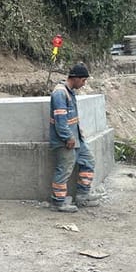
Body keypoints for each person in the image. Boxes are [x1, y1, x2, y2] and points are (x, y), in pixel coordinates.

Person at [48, 62, 100, 213]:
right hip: (65, 141)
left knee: (88, 160)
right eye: (83, 80)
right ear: (75, 78)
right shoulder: (60, 93)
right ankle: (58, 202)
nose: (84, 84)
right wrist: (68, 138)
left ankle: (83, 195)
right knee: (64, 169)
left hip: (76, 139)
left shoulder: (69, 92)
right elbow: (60, 121)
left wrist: (77, 136)